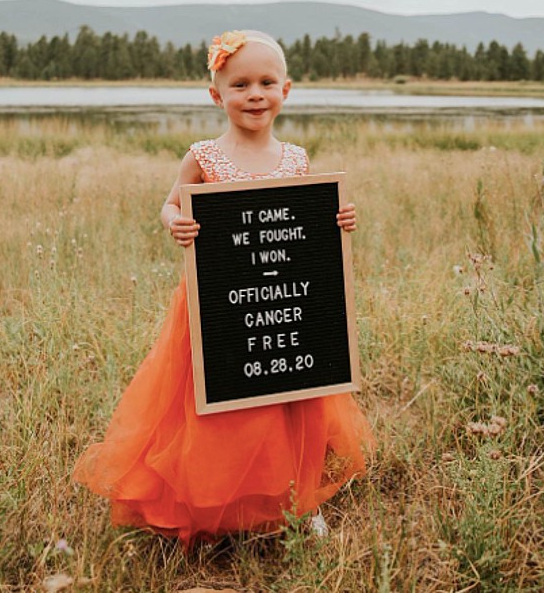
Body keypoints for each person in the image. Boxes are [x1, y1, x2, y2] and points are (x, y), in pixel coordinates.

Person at [73, 30, 374, 544]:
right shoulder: (206, 157)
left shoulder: (295, 160)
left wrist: (338, 218)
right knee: (225, 404)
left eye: (265, 82)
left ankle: (298, 501)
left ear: (286, 90)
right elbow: (170, 203)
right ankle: (220, 501)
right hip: (219, 306)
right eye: (239, 85)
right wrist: (176, 222)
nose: (254, 94)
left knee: (290, 405)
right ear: (217, 95)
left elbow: (307, 222)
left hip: (285, 307)